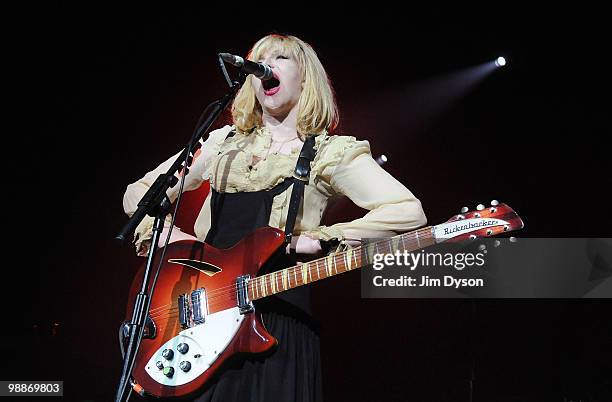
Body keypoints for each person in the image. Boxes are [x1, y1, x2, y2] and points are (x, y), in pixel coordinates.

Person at [122, 33, 427, 402]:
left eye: (280, 58)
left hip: (276, 323)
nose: (266, 67)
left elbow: (408, 211)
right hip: (201, 320)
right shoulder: (223, 144)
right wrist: (177, 241)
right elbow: (139, 193)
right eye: (259, 60)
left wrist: (322, 237)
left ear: (305, 77)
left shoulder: (330, 153)